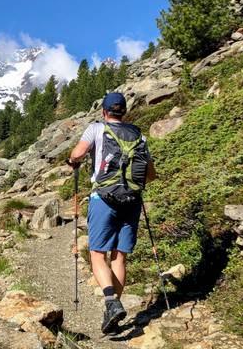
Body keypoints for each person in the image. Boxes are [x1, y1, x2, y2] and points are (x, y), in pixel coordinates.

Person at [66, 92, 156, 334]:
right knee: (120, 257)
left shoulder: (96, 128)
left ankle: (110, 301)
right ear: (124, 111)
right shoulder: (140, 136)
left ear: (104, 111)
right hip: (132, 200)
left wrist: (72, 161)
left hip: (104, 198)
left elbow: (76, 154)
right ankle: (112, 314)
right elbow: (151, 174)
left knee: (97, 254)